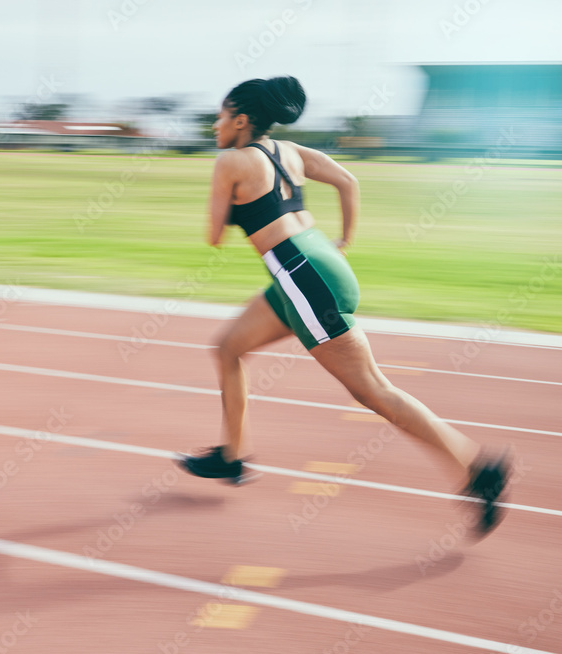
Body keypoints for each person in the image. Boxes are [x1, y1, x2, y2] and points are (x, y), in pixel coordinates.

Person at [177, 76, 510, 536]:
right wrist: (345, 241)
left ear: (240, 120)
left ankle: (478, 465)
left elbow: (213, 237)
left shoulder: (231, 161)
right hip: (314, 264)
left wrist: (228, 204)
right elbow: (347, 181)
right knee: (229, 347)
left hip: (302, 277)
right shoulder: (288, 151)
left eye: (219, 116)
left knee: (373, 391)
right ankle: (232, 457)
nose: (215, 126)